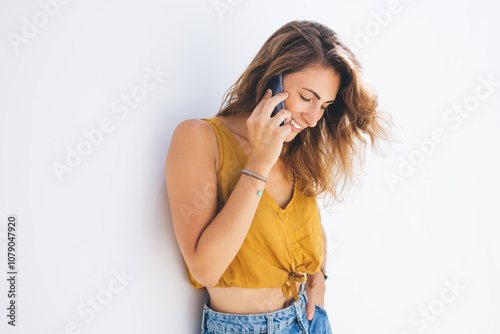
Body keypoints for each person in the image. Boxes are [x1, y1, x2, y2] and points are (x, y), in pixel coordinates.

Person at [165, 20, 395, 334]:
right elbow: (205, 268)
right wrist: (260, 162)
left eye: (324, 105)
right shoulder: (199, 137)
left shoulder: (295, 144)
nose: (313, 119)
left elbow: (310, 224)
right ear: (272, 79)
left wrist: (319, 281)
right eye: (306, 97)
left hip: (310, 320)